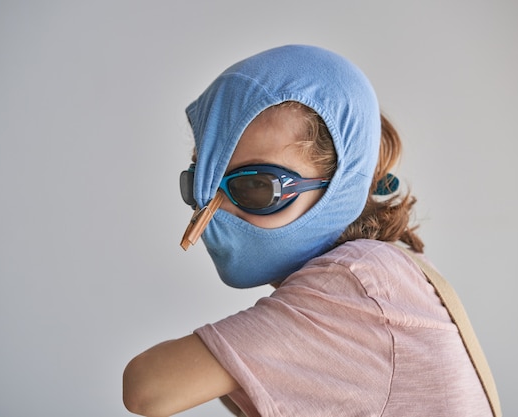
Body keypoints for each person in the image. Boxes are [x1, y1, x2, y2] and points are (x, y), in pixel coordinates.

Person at [123, 45, 493, 417]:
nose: (217, 209)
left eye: (256, 187)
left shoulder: (359, 283)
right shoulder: (385, 271)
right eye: (201, 183)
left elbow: (148, 388)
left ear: (338, 186)